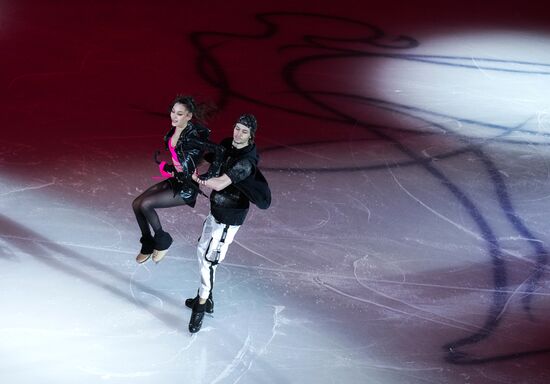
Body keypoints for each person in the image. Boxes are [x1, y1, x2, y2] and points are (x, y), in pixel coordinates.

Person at [186, 113, 271, 333]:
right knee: (201, 249)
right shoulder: (226, 145)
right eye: (237, 128)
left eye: (244, 131)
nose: (238, 133)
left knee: (210, 259)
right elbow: (209, 157)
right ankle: (208, 297)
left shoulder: (245, 163)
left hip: (230, 217)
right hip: (216, 211)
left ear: (251, 136)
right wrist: (189, 153)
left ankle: (201, 305)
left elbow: (220, 184)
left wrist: (193, 177)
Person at [131, 95, 221, 264]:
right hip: (176, 180)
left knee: (145, 204)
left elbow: (218, 152)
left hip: (186, 187)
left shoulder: (192, 136)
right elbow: (180, 158)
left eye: (179, 114)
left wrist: (207, 176)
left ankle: (163, 240)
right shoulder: (174, 130)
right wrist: (170, 168)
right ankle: (148, 244)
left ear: (188, 116)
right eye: (173, 112)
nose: (174, 116)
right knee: (136, 204)